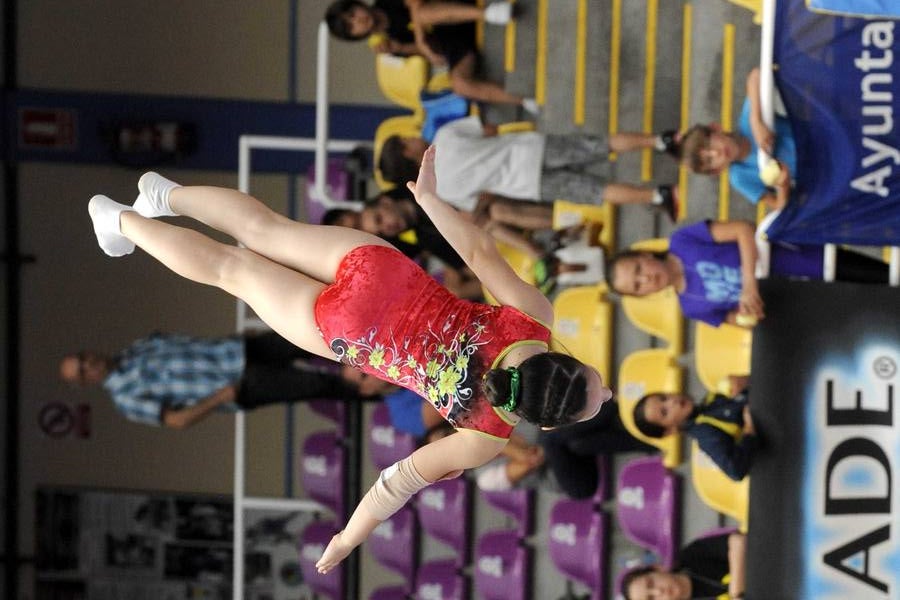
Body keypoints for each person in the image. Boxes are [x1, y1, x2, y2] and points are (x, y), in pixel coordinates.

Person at [85, 145, 613, 575]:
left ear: (562, 360)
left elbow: (479, 254)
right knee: (232, 270)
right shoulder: (486, 436)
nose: (609, 392)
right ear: (543, 421)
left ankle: (166, 193)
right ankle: (122, 221)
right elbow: (397, 481)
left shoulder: (533, 318)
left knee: (265, 230)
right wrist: (346, 537)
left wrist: (429, 201)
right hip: (356, 335)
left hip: (384, 275)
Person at [379, 119, 679, 222]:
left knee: (597, 191)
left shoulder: (442, 190)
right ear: (408, 151)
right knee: (599, 145)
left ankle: (658, 195)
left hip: (527, 184)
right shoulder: (445, 136)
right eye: (407, 140)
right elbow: (489, 129)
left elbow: (481, 201)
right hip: (531, 148)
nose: (413, 137)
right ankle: (660, 141)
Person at [59, 331, 373, 429]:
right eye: (83, 372)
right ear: (86, 383)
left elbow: (194, 346)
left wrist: (236, 337)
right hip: (237, 385)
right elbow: (176, 420)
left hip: (239, 349)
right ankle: (385, 387)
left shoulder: (136, 347)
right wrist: (220, 399)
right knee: (317, 384)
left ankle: (376, 349)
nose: (90, 365)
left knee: (309, 337)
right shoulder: (125, 399)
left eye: (84, 359)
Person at [607, 219, 890, 328]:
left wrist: (749, 285)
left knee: (887, 278)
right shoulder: (690, 308)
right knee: (881, 310)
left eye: (639, 270)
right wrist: (751, 311)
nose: (646, 280)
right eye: (637, 286)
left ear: (644, 255)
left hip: (810, 261)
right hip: (807, 302)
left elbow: (743, 230)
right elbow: (741, 321)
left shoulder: (682, 241)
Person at [325, 0, 540, 113]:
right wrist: (401, 48)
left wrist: (419, 38)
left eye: (353, 14)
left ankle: (491, 14)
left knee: (421, 14)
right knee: (460, 86)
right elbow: (429, 53)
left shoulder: (385, 3)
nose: (359, 21)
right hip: (454, 42)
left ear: (359, 5)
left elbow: (415, 5)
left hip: (459, 7)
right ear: (355, 36)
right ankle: (525, 100)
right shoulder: (388, 42)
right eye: (351, 26)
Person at [321, 187, 484, 299]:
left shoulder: (414, 192)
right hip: (462, 242)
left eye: (380, 219)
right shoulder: (419, 236)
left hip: (477, 213)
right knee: (457, 288)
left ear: (385, 202)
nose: (387, 227)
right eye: (382, 231)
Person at [680, 67, 795, 210]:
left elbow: (756, 75)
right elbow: (778, 205)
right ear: (717, 171)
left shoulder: (748, 120)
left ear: (716, 128)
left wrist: (756, 120)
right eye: (710, 160)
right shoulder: (739, 178)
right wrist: (783, 186)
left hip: (821, 133)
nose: (716, 153)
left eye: (709, 145)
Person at [633, 375, 756, 481]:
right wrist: (749, 430)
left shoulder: (712, 397)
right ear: (670, 430)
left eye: (664, 398)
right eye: (665, 412)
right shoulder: (706, 436)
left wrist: (746, 380)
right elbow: (735, 470)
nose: (672, 402)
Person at [540, 399, 655, 499]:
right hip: (555, 469)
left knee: (580, 444)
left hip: (570, 438)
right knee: (551, 439)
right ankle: (613, 405)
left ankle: (645, 440)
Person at [620, 531, 747, 600]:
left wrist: (736, 593)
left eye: (651, 583)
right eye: (651, 599)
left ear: (657, 568)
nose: (658, 591)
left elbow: (738, 542)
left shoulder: (692, 555)